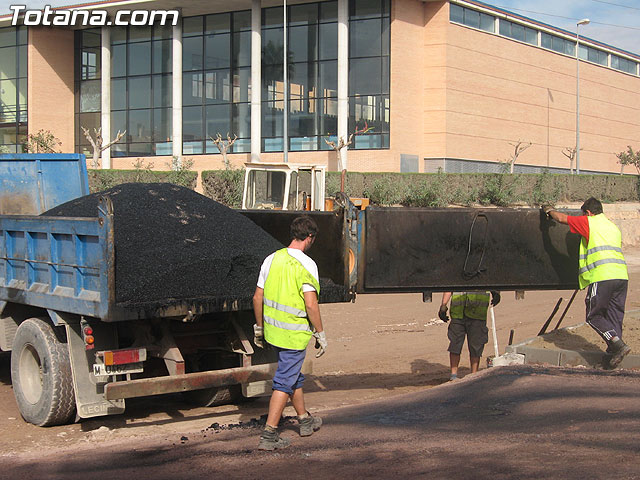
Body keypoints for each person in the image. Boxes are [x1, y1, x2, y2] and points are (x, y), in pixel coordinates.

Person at [252, 215, 328, 451]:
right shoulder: (307, 264)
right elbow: (310, 305)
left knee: (292, 375)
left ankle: (304, 420)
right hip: (294, 335)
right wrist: (320, 333)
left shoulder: (271, 259)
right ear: (310, 238)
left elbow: (257, 297)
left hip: (273, 333)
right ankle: (269, 434)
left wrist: (259, 327)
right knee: (284, 381)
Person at [543, 197, 630, 368]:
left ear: (588, 213)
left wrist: (548, 210)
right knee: (614, 316)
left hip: (602, 275)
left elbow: (561, 219)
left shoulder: (590, 222)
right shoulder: (612, 226)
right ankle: (613, 356)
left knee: (594, 315)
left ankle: (617, 344)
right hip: (621, 276)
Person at [439, 290, 500, 380]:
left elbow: (492, 281)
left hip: (477, 313)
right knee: (455, 344)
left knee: (476, 346)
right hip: (458, 313)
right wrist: (443, 305)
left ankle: (473, 375)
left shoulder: (483, 276)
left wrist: (496, 292)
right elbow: (449, 287)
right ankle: (454, 375)